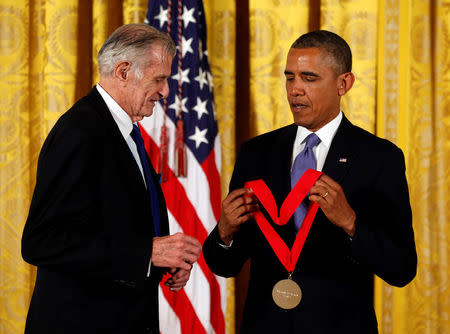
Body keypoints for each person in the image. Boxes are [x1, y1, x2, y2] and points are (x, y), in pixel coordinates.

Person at [203, 30, 417, 333]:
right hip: (266, 325)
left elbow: (402, 268)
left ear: (344, 83)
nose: (295, 90)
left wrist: (351, 222)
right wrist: (224, 233)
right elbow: (224, 265)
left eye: (309, 78)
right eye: (290, 78)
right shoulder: (256, 153)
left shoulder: (379, 157)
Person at [21, 24, 202, 334]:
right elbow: (41, 243)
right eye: (159, 79)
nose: (166, 92)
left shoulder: (124, 129)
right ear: (123, 71)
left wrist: (157, 262)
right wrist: (147, 252)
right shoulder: (79, 132)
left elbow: (116, 224)